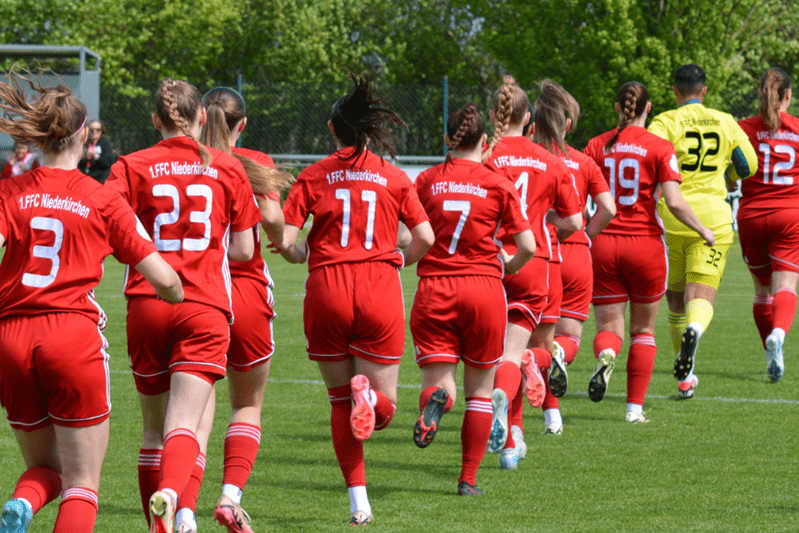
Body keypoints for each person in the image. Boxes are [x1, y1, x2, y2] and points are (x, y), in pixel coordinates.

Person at [0, 68, 183, 533]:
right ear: (84, 134)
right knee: (82, 483)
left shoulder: (10, 191)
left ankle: (22, 503)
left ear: (40, 137)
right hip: (70, 336)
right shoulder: (101, 198)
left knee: (47, 470)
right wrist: (175, 294)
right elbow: (164, 278)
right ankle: (23, 503)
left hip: (11, 340)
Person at [106, 78, 265, 533]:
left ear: (155, 120)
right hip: (204, 305)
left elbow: (114, 232)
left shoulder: (130, 165)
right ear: (201, 119)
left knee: (152, 431)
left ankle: (160, 520)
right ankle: (174, 495)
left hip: (147, 301)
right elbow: (244, 250)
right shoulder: (228, 167)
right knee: (186, 424)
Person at [275, 74, 434, 524]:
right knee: (382, 410)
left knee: (339, 403)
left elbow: (289, 243)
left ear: (332, 131)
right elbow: (425, 236)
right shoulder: (393, 176)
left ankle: (359, 502)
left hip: (327, 286)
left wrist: (300, 250)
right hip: (379, 286)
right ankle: (373, 402)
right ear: (367, 131)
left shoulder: (313, 175)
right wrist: (401, 258)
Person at [162, 86, 290, 533]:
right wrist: (281, 240)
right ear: (243, 125)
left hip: (196, 292)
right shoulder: (253, 162)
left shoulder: (183, 161)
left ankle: (183, 513)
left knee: (192, 415)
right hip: (247, 290)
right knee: (247, 404)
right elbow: (273, 220)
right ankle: (230, 497)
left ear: (199, 117)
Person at [411, 103, 535, 495]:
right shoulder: (497, 182)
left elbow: (409, 234)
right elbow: (528, 245)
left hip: (434, 288)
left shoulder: (426, 180)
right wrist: (509, 267)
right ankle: (467, 479)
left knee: (439, 382)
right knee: (480, 392)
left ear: (447, 141)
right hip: (483, 288)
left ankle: (437, 402)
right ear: (485, 142)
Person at [584, 81, 714, 421]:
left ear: (617, 108)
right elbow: (673, 201)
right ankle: (633, 410)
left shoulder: (597, 145)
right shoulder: (660, 147)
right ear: (649, 108)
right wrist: (702, 229)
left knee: (609, 330)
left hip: (603, 245)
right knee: (643, 332)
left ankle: (607, 356)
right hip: (645, 247)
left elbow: (580, 198)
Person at [483, 75, 581, 467]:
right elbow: (574, 221)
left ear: (494, 115)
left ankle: (511, 439)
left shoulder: (486, 154)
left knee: (497, 355)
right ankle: (512, 443)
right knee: (519, 353)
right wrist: (540, 215)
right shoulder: (550, 160)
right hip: (534, 260)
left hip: (490, 262)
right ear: (530, 120)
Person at [648, 64, 757, 398]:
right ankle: (695, 331)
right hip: (713, 217)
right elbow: (748, 166)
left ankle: (685, 378)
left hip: (673, 216)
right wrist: (726, 176)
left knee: (676, 300)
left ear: (675, 90)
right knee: (702, 293)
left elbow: (649, 162)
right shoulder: (726, 121)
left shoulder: (664, 122)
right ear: (704, 90)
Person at [529, 79, 615, 435]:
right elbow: (608, 208)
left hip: (538, 255)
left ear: (535, 123)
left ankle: (550, 415)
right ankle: (554, 413)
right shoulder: (584, 162)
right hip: (577, 254)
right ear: (567, 124)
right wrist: (585, 236)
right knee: (568, 339)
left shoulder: (527, 159)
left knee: (534, 342)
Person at [737, 67, 799, 383]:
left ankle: (770, 353)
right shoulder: (798, 129)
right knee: (786, 287)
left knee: (762, 292)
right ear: (788, 95)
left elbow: (729, 171)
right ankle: (778, 333)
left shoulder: (741, 129)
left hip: (750, 217)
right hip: (789, 215)